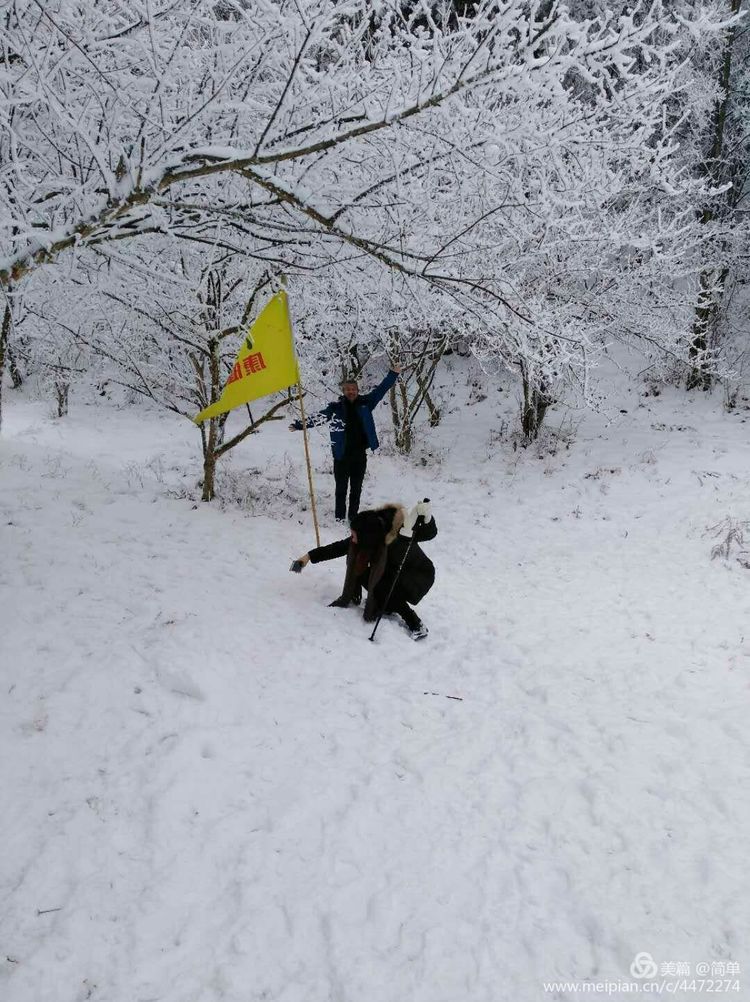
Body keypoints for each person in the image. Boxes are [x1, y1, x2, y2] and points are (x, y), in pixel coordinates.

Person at [291, 501, 436, 639]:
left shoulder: (398, 536)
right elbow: (338, 548)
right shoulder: (372, 531)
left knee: (383, 588)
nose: (352, 539)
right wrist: (308, 556)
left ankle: (416, 624)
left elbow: (427, 533)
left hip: (417, 574)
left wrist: (427, 517)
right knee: (363, 572)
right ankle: (382, 603)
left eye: (354, 535)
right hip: (394, 570)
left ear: (365, 537)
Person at [289, 367, 400, 523]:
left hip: (360, 455)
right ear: (343, 391)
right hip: (341, 456)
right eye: (347, 389)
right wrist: (300, 425)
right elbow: (319, 418)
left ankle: (353, 516)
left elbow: (381, 389)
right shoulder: (335, 409)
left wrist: (393, 373)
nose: (351, 392)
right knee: (341, 489)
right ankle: (339, 517)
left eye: (353, 389)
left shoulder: (366, 403)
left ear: (357, 390)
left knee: (356, 489)